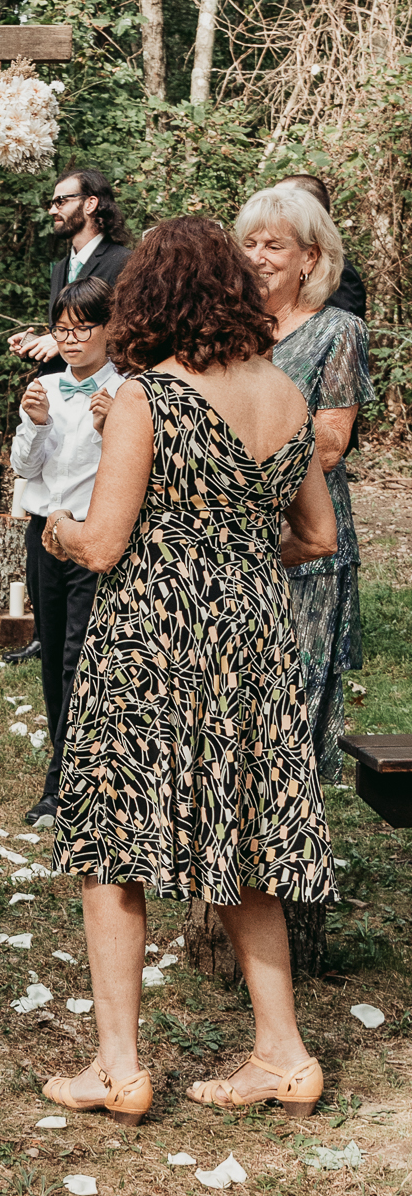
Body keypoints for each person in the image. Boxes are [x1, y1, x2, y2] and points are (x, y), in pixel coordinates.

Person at [38, 219, 338, 1125]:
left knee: (112, 842)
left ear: (150, 299)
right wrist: (235, 556)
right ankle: (283, 1054)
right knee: (248, 835)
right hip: (252, 639)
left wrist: (54, 525)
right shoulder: (285, 392)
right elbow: (317, 537)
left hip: (152, 641)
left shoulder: (149, 398)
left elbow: (101, 544)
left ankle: (119, 1067)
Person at [236, 184, 374, 785]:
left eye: (274, 245)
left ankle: (289, 853)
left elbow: (329, 443)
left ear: (310, 259)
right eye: (248, 243)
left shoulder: (336, 330)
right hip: (229, 537)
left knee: (290, 700)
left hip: (303, 536)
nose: (257, 256)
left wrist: (224, 456)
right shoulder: (230, 326)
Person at [9, 277, 125, 832]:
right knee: (53, 653)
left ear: (111, 328)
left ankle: (69, 783)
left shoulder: (129, 391)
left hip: (94, 535)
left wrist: (109, 428)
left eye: (83, 328)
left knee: (84, 656)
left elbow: (128, 477)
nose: (72, 339)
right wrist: (34, 424)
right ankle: (66, 769)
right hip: (42, 534)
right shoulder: (46, 387)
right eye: (62, 329)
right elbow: (24, 471)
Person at [8, 167, 132, 368]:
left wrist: (59, 341)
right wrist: (37, 344)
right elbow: (67, 334)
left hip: (101, 391)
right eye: (52, 203)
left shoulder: (125, 262)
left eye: (61, 201)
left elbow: (128, 336)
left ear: (90, 204)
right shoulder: (60, 268)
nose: (52, 210)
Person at [278, 175, 367, 320]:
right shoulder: (285, 262)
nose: (272, 210)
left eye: (281, 203)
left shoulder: (337, 274)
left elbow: (340, 335)